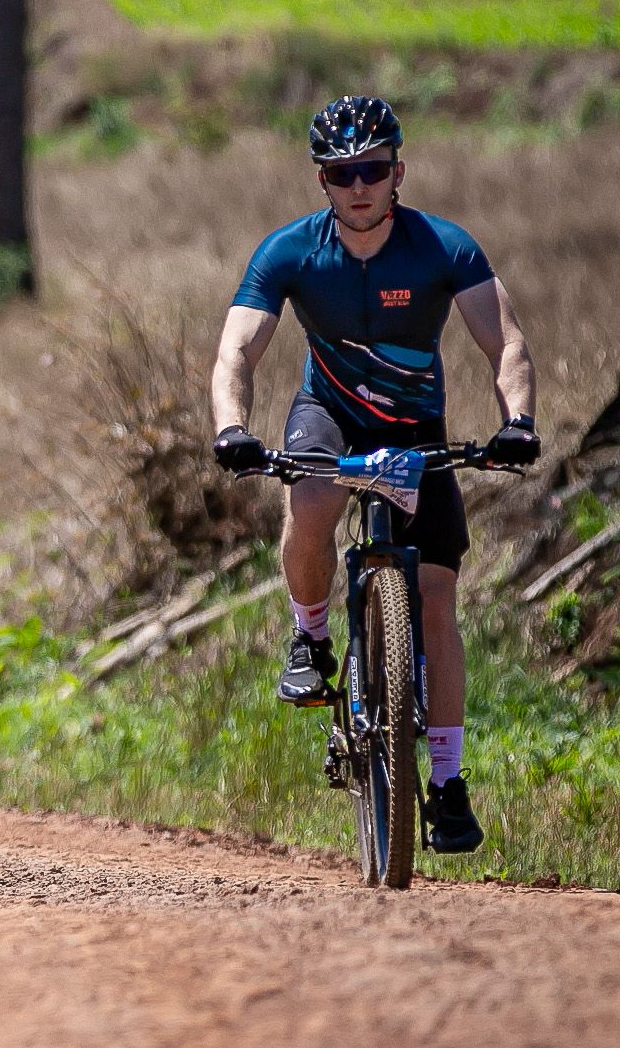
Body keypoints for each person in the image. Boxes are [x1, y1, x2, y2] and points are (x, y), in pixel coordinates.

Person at [207, 96, 540, 855]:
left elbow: (506, 344)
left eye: (374, 170)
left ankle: (447, 783)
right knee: (311, 494)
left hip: (415, 430)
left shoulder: (444, 248)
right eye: (341, 173)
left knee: (437, 597)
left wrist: (517, 422)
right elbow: (236, 351)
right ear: (321, 181)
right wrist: (232, 429)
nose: (359, 186)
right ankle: (310, 638)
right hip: (328, 415)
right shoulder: (290, 252)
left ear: (399, 171)